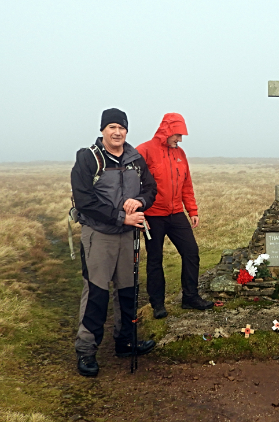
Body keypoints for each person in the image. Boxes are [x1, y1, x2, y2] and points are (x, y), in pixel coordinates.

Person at [70, 108, 158, 377]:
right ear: (102, 130)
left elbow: (150, 189)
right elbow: (85, 200)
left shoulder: (135, 159)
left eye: (121, 127)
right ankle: (86, 350)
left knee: (128, 291)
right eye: (111, 127)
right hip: (99, 234)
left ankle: (126, 341)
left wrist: (140, 201)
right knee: (97, 292)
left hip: (129, 235)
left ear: (127, 131)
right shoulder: (88, 159)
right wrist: (122, 217)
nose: (117, 132)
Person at [136, 113, 213, 317]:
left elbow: (186, 184)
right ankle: (157, 305)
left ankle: (190, 297)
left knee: (191, 252)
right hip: (152, 215)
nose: (179, 139)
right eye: (177, 134)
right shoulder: (144, 151)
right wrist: (138, 211)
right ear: (167, 130)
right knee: (155, 259)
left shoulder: (181, 154)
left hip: (176, 213)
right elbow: (131, 184)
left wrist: (192, 210)